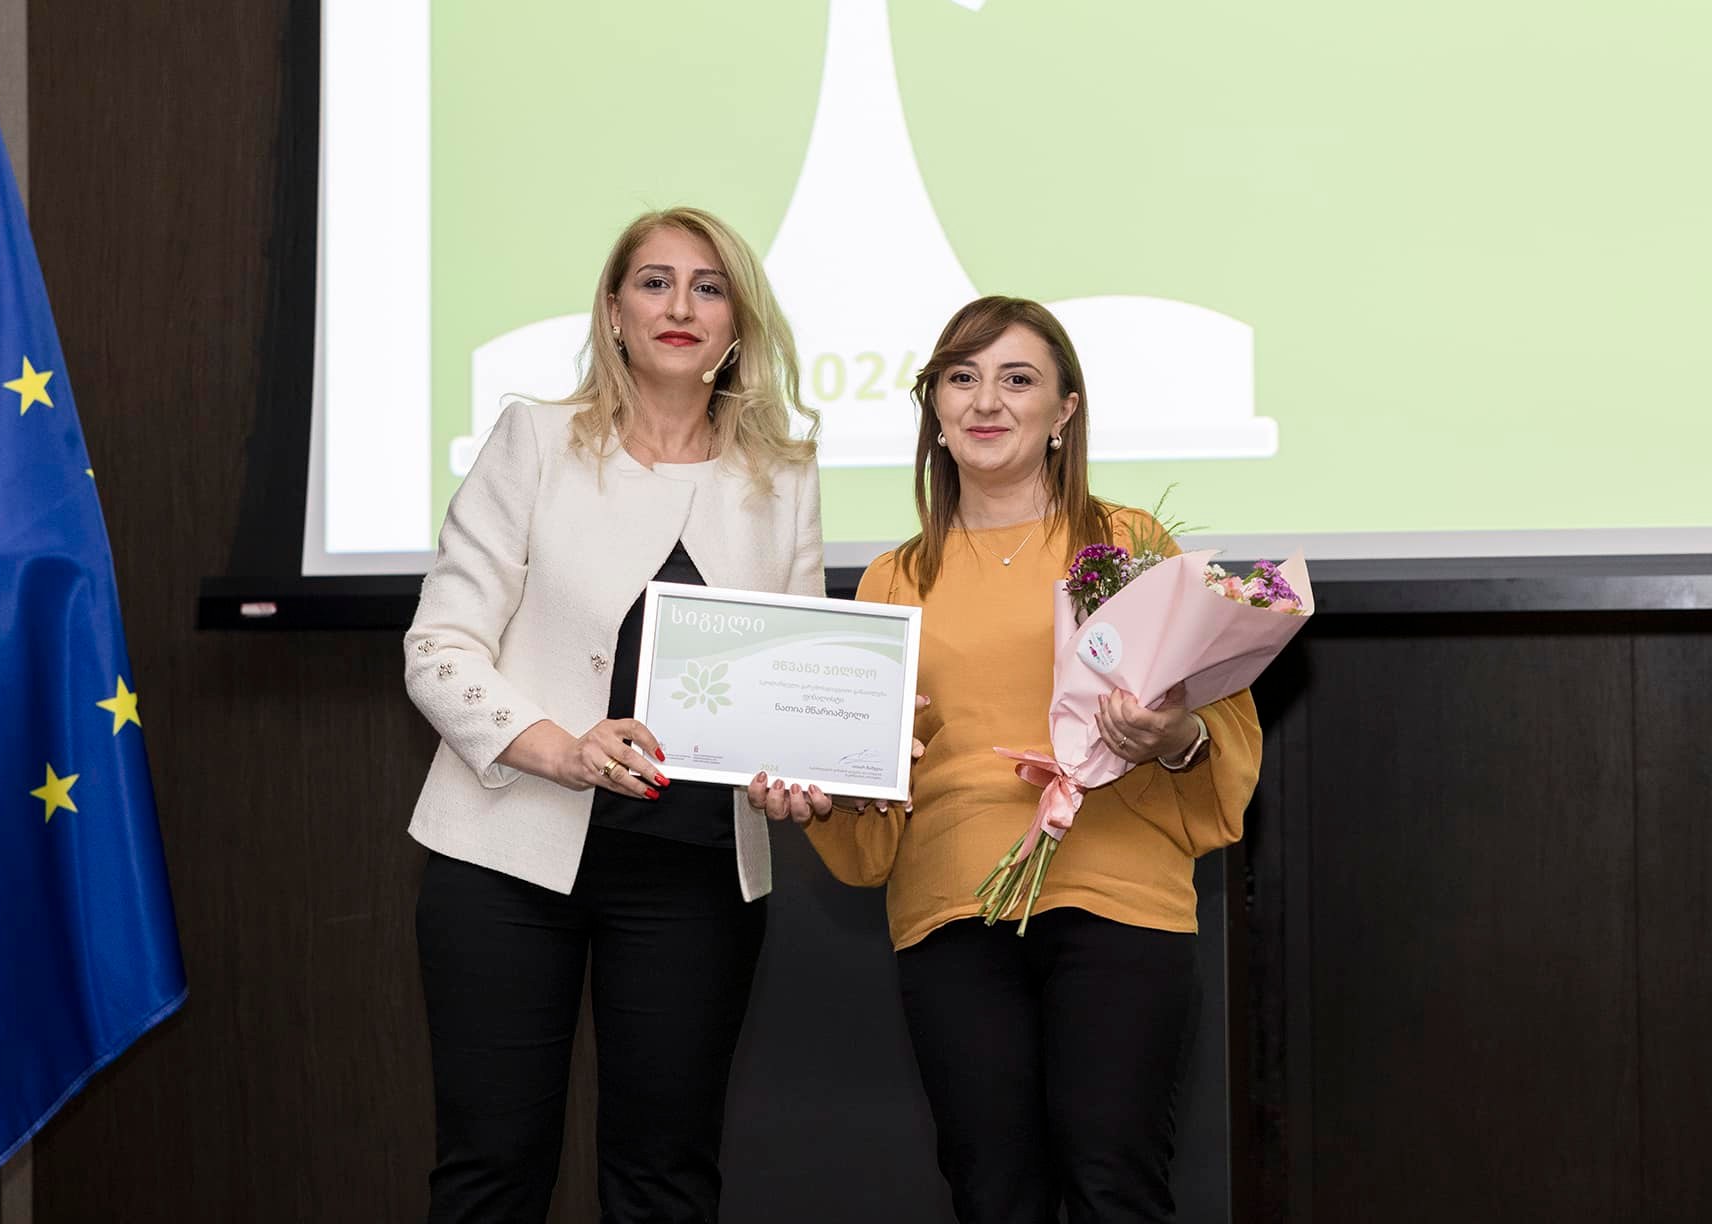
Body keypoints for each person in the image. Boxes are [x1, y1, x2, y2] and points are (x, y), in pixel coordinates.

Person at [775, 296, 1261, 1223]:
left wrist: (1169, 738)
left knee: (1114, 1179)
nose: (986, 401)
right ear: (935, 407)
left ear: (1064, 410)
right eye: (962, 378)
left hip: (1117, 894)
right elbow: (869, 775)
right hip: (952, 908)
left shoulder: (1126, 545)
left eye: (1017, 379)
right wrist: (818, 786)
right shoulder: (891, 578)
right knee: (993, 1193)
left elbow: (1213, 717)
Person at [403, 206, 824, 1223]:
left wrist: (806, 767)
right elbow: (438, 648)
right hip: (505, 860)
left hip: (695, 876)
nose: (681, 305)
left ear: (738, 323)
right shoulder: (535, 440)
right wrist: (561, 749)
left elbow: (795, 678)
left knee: (665, 1178)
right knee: (492, 1169)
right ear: (613, 311)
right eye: (655, 281)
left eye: (709, 287)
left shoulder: (784, 474)